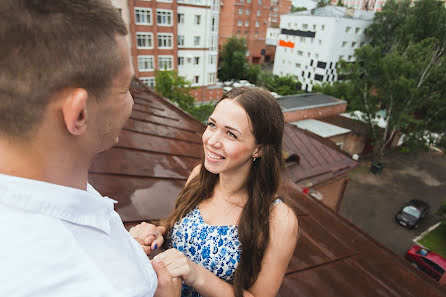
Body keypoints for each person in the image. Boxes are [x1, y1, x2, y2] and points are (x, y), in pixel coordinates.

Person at [0, 1, 179, 296]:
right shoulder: (93, 284)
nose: (132, 102)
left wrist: (128, 252)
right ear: (79, 113)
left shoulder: (52, 179)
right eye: (125, 89)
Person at [130, 87, 299, 297]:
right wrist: (157, 233)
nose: (212, 140)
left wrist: (197, 275)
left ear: (259, 149)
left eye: (230, 134)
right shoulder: (198, 176)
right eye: (212, 125)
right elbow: (177, 226)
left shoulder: (279, 218)